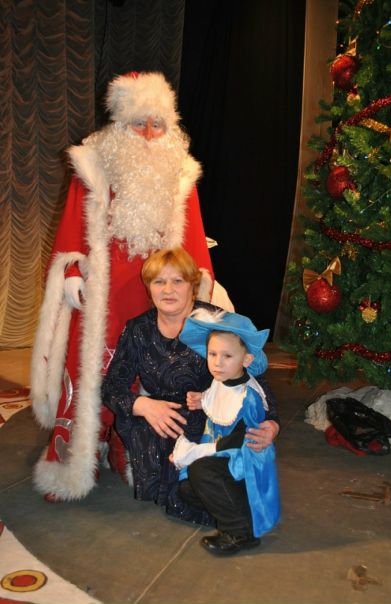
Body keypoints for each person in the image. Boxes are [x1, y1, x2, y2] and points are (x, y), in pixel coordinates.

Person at [30, 71, 220, 502]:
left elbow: (193, 233)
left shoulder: (180, 173)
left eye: (157, 124)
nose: (150, 134)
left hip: (159, 291)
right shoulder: (93, 165)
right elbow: (73, 222)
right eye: (139, 123)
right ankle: (80, 452)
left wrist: (198, 280)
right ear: (121, 124)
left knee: (149, 367)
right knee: (91, 365)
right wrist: (72, 270)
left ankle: (129, 445)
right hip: (103, 292)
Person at [101, 247, 280, 525]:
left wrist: (272, 423)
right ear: (149, 287)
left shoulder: (217, 323)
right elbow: (112, 385)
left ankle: (233, 512)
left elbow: (253, 377)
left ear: (192, 285)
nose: (168, 289)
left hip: (211, 417)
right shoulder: (138, 329)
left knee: (198, 488)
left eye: (178, 281)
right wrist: (143, 405)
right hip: (157, 416)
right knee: (147, 440)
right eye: (159, 281)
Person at [170, 307, 281, 555]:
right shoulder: (221, 381)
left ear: (246, 360)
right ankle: (236, 508)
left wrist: (193, 452)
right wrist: (203, 400)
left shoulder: (248, 397)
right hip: (225, 453)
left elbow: (236, 441)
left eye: (227, 356)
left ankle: (241, 532)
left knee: (201, 470)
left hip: (243, 458)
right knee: (187, 488)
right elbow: (218, 399)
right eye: (212, 354)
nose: (217, 362)